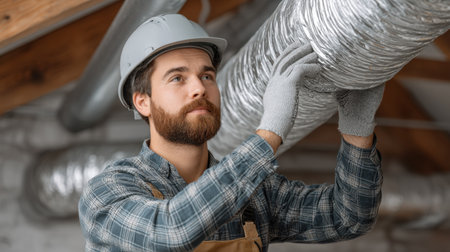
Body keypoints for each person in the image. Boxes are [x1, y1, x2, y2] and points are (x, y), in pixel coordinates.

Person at [78, 14, 384, 252]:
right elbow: (171, 232)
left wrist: (357, 131)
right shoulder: (108, 192)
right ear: (142, 101)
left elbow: (349, 218)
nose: (199, 88)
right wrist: (271, 132)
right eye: (177, 78)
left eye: (206, 75)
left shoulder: (256, 194)